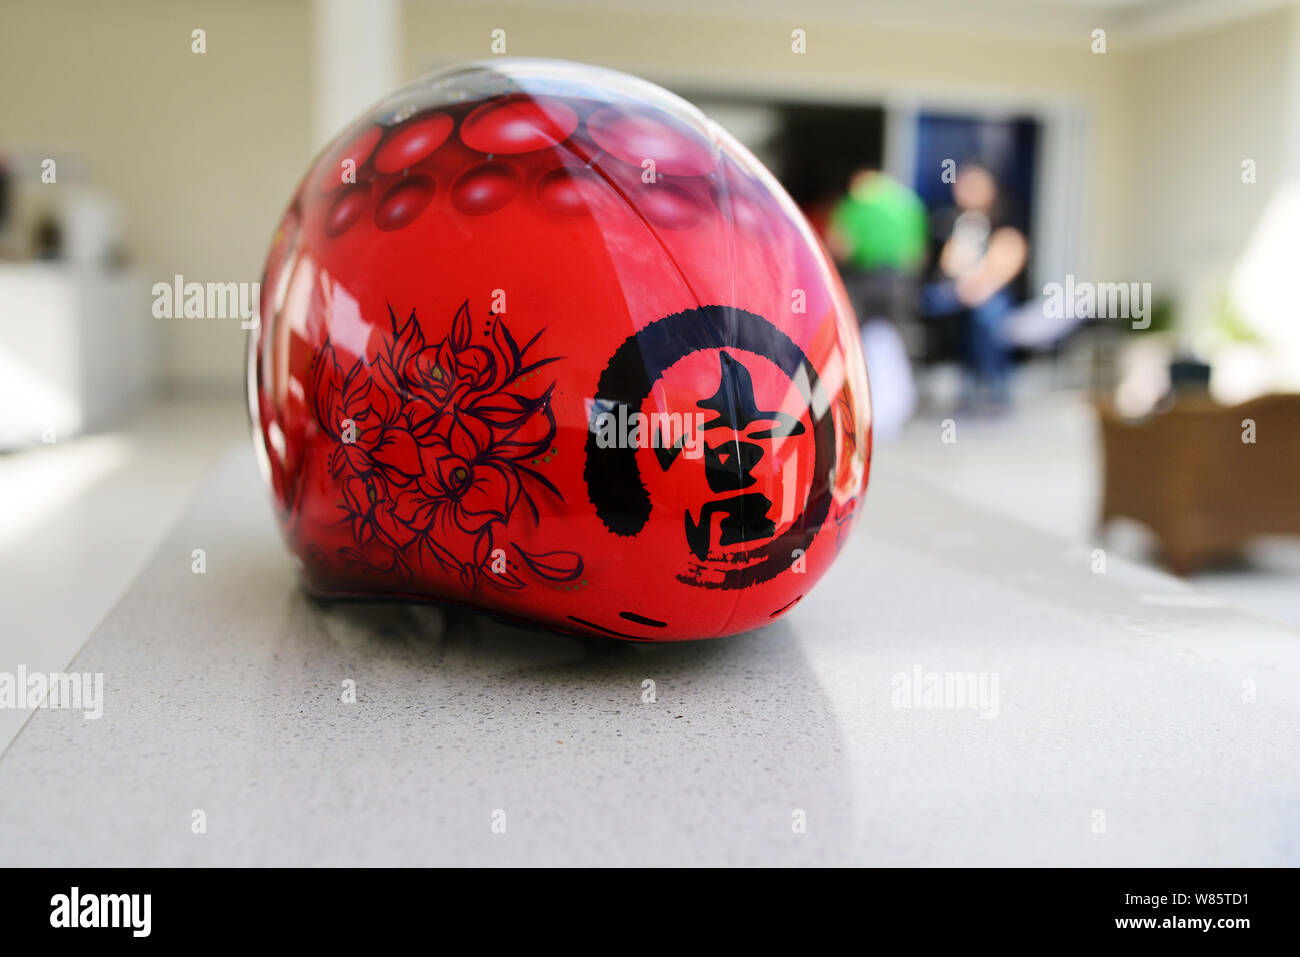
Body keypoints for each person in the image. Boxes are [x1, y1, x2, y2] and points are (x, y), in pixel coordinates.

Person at [828, 168, 927, 438]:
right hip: (900, 282)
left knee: (857, 342)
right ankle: (902, 407)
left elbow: (841, 246)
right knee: (900, 340)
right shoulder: (907, 203)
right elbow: (917, 252)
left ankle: (858, 404)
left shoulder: (854, 205)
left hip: (864, 280)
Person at [925, 161, 1028, 409]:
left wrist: (979, 285)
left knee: (988, 314)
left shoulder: (1004, 223)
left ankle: (992, 383)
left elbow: (1007, 259)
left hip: (987, 290)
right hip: (956, 290)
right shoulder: (950, 221)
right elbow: (946, 265)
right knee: (926, 302)